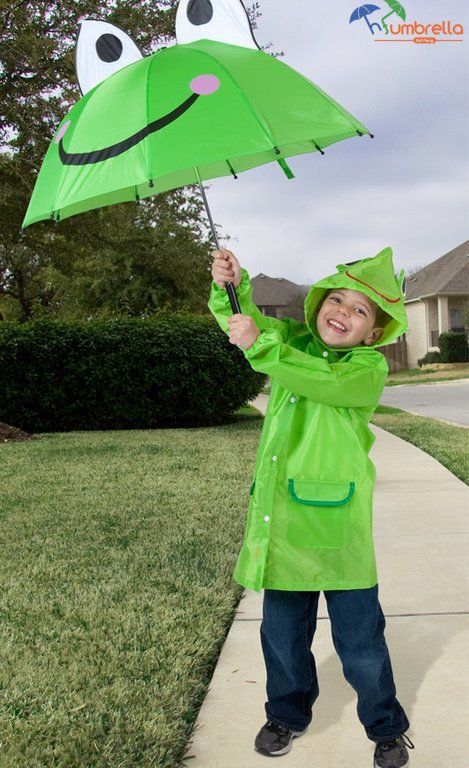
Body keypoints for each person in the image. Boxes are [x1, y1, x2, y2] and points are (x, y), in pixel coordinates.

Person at [207, 246, 416, 768]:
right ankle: (286, 714)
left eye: (360, 310)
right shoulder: (292, 342)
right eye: (337, 299)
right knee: (281, 639)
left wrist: (264, 349)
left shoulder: (366, 368)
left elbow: (316, 378)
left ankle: (386, 728)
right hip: (284, 528)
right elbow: (246, 324)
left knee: (362, 645)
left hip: (339, 532)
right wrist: (232, 285)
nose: (343, 311)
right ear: (319, 303)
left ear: (373, 333)